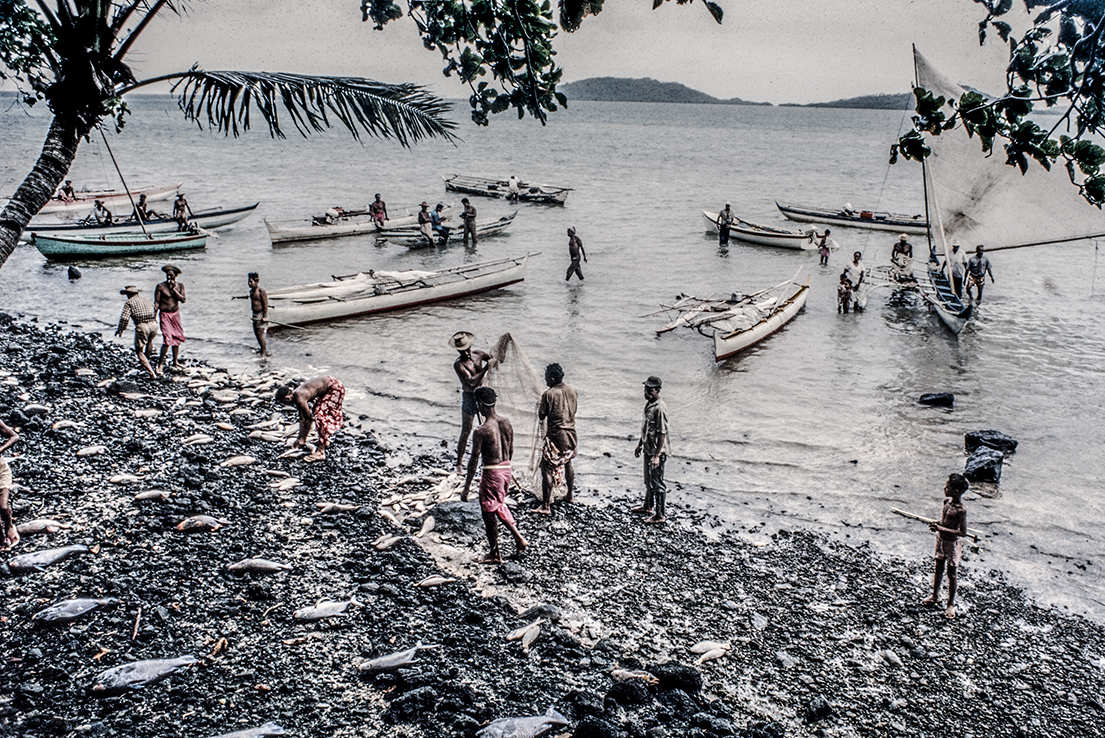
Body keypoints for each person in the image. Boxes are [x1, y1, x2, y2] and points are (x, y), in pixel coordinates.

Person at [461, 386, 528, 564]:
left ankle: (495, 554)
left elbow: (474, 460)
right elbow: (511, 449)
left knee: (488, 512)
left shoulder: (481, 431)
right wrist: (505, 470)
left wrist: (466, 488)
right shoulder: (506, 422)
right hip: (506, 469)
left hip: (492, 472)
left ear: (480, 405)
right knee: (498, 505)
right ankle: (519, 539)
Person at [922, 473, 969, 619]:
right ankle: (935, 595)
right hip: (941, 540)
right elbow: (944, 522)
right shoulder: (946, 503)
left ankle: (950, 604)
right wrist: (937, 525)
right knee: (938, 568)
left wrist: (941, 528)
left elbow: (962, 532)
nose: (945, 488)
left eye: (948, 487)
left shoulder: (961, 510)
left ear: (955, 491)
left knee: (952, 573)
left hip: (952, 544)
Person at [451, 331, 496, 474]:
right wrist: (485, 369)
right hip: (470, 397)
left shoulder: (478, 354)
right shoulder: (458, 365)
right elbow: (471, 382)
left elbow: (493, 359)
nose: (467, 353)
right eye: (463, 351)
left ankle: (489, 457)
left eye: (468, 349)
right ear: (458, 350)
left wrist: (494, 359)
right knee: (466, 430)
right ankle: (459, 463)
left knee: (488, 425)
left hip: (482, 394)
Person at [536, 363, 578, 515]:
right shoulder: (573, 391)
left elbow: (542, 415)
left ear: (553, 378)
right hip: (572, 435)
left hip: (556, 435)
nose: (545, 380)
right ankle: (569, 496)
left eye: (547, 377)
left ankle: (546, 506)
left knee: (546, 466)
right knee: (568, 462)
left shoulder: (549, 394)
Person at [275, 376, 346, 462]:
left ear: (287, 398)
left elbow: (308, 419)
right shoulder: (296, 396)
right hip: (329, 386)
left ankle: (321, 452)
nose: (286, 405)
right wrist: (301, 439)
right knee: (317, 411)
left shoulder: (300, 398)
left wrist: (302, 437)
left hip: (335, 387)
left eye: (284, 402)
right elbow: (302, 418)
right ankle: (323, 440)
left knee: (320, 416)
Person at [632, 376, 669, 524]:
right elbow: (647, 429)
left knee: (657, 482)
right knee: (648, 480)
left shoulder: (659, 408)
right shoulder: (649, 404)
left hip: (657, 451)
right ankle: (648, 506)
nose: (646, 392)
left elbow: (662, 433)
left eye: (650, 390)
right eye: (645, 389)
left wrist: (657, 455)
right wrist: (640, 444)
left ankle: (660, 515)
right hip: (648, 448)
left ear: (658, 390)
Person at [114, 285, 159, 379]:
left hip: (142, 325)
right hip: (153, 324)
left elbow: (124, 318)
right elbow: (155, 310)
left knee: (139, 351)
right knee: (149, 342)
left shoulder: (129, 302)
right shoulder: (146, 299)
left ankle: (151, 373)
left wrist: (120, 330)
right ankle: (147, 361)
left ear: (128, 294)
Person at [154, 264, 187, 373]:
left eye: (171, 276)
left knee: (176, 338)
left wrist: (174, 290)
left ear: (175, 276)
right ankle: (160, 364)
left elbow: (183, 300)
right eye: (168, 276)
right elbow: (157, 303)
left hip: (175, 314)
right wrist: (153, 316)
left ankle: (175, 361)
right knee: (167, 340)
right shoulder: (160, 286)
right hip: (165, 314)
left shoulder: (180, 286)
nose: (169, 278)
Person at [0, 419, 20, 550]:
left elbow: (14, 436)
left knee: (2, 506)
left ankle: (9, 526)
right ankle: (2, 540)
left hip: (1, 471)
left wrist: (0, 449)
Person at [248, 272, 269, 356]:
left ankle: (263, 352)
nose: (249, 284)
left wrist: (265, 316)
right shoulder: (251, 291)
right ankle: (262, 349)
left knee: (260, 334)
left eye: (251, 282)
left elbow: (265, 304)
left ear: (256, 281)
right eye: (248, 282)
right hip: (254, 315)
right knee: (256, 333)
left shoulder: (261, 291)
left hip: (260, 315)